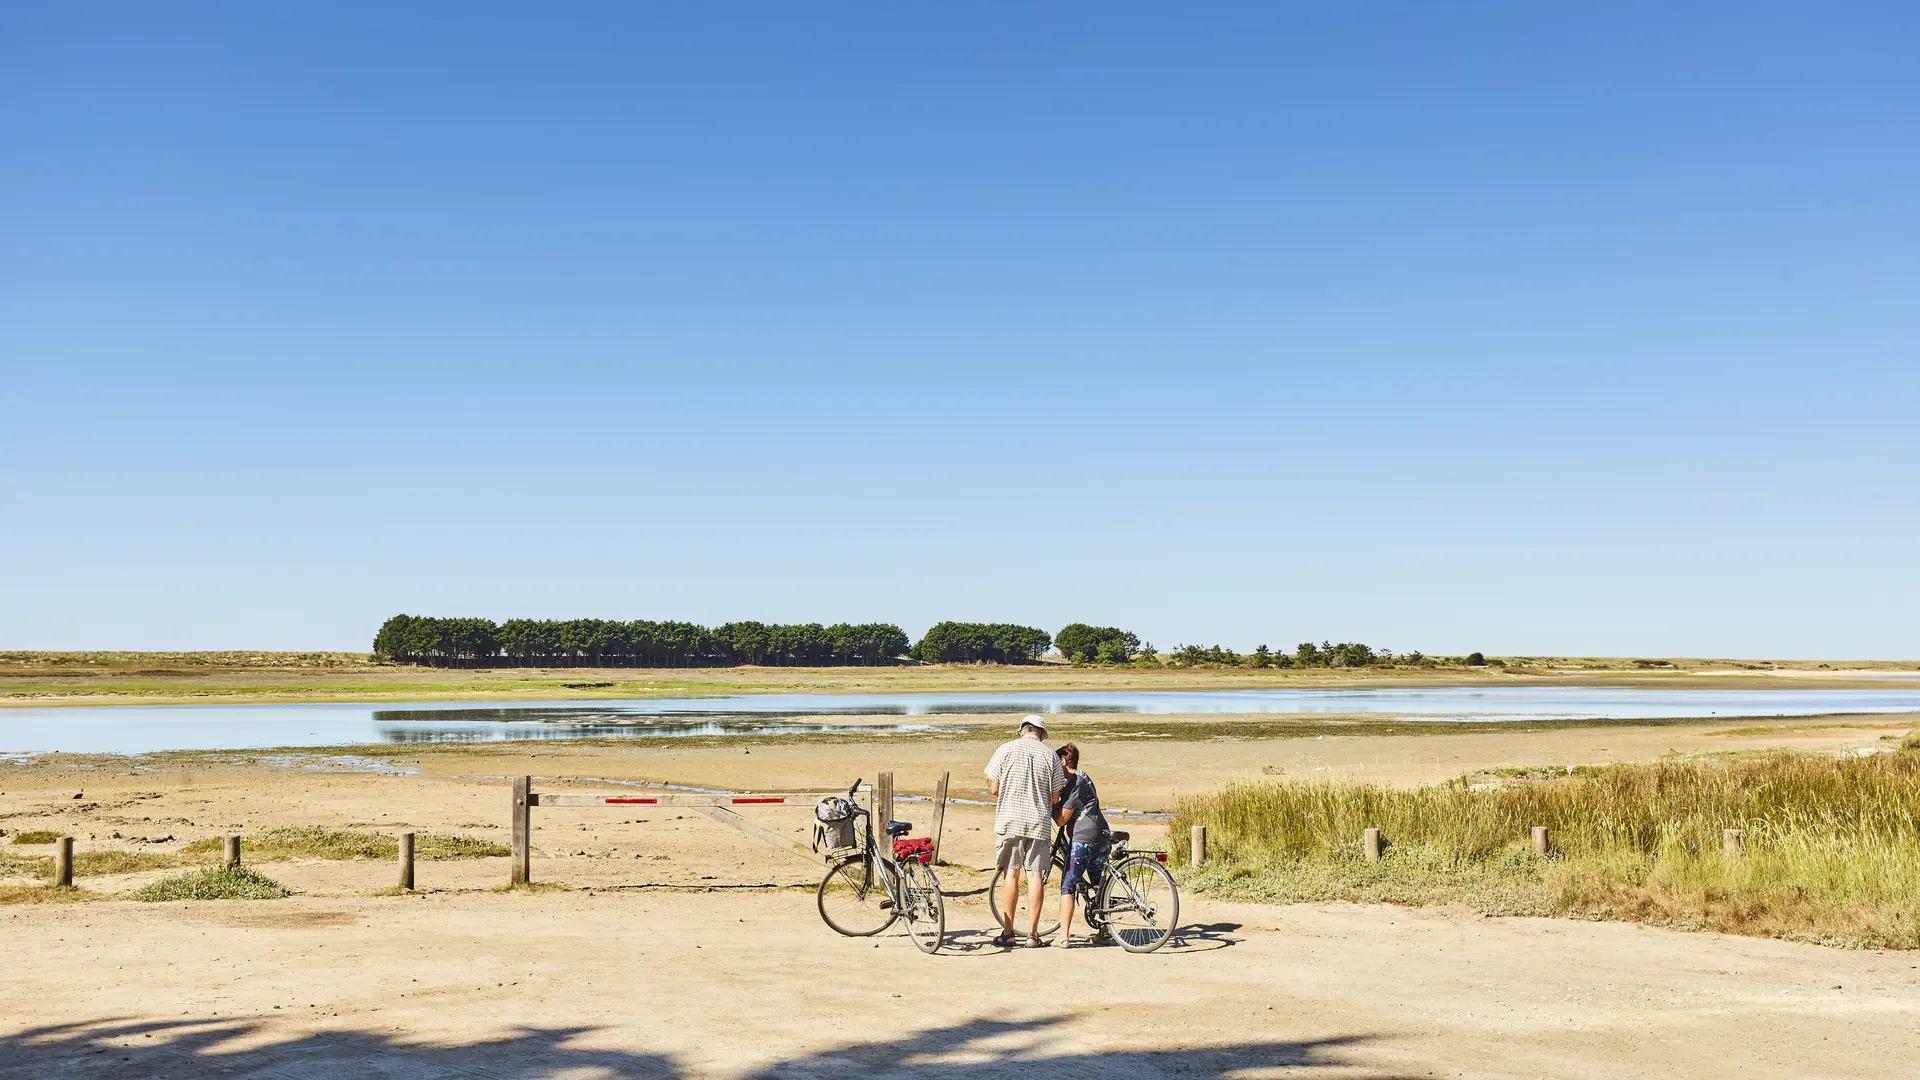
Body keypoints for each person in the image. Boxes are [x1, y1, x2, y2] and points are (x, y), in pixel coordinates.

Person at [985, 714, 1066, 947]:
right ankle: (1032, 934)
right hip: (1038, 822)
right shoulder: (1050, 755)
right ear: (1041, 733)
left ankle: (1008, 932)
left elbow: (994, 788)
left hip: (1009, 820)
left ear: (1022, 730)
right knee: (1035, 875)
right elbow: (1054, 797)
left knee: (1010, 874)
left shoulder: (1004, 750)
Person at [1050, 742, 1111, 948]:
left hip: (1084, 838)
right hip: (1101, 834)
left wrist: (1050, 807)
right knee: (1098, 884)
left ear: (1065, 761)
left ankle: (1064, 936)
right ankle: (1105, 929)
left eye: (1058, 763)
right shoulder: (1085, 777)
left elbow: (1061, 820)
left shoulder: (1074, 782)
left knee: (1068, 883)